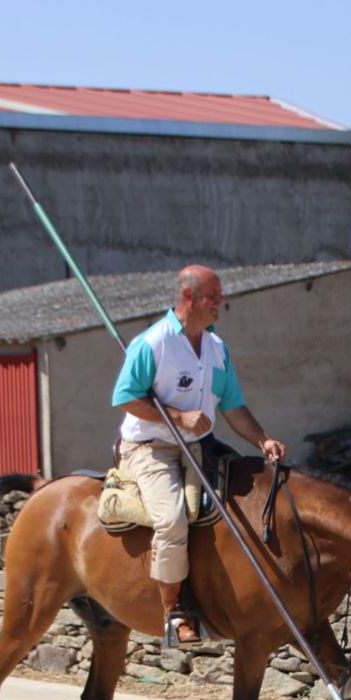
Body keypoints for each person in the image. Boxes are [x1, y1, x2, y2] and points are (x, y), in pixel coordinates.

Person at [111, 264, 286, 646]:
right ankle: (174, 614)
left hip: (197, 446)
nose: (220, 302)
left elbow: (234, 406)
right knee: (173, 519)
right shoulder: (153, 343)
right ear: (189, 298)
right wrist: (178, 416)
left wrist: (262, 440)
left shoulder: (216, 348)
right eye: (213, 295)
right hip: (149, 447)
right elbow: (125, 397)